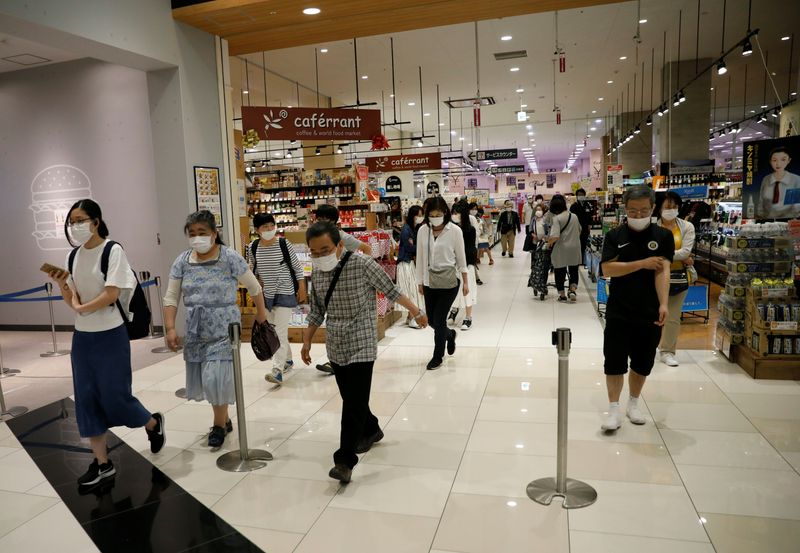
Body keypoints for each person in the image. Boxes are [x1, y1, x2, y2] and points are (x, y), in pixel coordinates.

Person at [48, 199, 165, 487]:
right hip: (83, 338)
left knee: (115, 395)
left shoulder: (112, 251)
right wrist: (65, 287)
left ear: (96, 221)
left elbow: (112, 294)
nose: (75, 226)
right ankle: (103, 463)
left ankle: (152, 423)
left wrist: (83, 308)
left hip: (111, 333)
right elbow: (72, 298)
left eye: (80, 220)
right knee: (86, 398)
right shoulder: (72, 257)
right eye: (71, 221)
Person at [301, 222, 428, 484]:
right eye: (314, 252)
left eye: (325, 249)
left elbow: (392, 291)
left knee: (352, 403)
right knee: (353, 398)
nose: (319, 256)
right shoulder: (319, 271)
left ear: (339, 245)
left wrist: (417, 311)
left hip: (362, 342)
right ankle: (371, 428)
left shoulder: (363, 264)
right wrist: (306, 341)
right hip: (336, 344)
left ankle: (344, 460)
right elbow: (316, 310)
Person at [163, 211, 268, 448]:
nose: (197, 238)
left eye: (202, 233)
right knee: (207, 377)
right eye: (192, 234)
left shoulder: (229, 257)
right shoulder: (182, 261)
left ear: (214, 233)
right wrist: (170, 327)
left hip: (224, 328)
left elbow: (254, 287)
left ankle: (218, 425)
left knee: (216, 377)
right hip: (195, 328)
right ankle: (224, 418)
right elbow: (171, 296)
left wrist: (262, 318)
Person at [600, 186, 673, 431]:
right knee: (614, 359)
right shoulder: (615, 236)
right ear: (625, 209)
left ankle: (633, 403)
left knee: (643, 361)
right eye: (633, 210)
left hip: (649, 310)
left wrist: (664, 303)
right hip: (619, 308)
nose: (638, 215)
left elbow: (663, 271)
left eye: (643, 210)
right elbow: (607, 269)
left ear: (653, 208)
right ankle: (613, 409)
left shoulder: (663, 237)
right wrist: (642, 263)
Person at [248, 213, 308, 384]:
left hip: (285, 291)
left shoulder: (283, 243)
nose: (269, 229)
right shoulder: (253, 247)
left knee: (279, 331)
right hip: (265, 295)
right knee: (273, 331)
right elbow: (253, 271)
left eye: (271, 225)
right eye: (264, 227)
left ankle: (277, 370)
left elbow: (297, 268)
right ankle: (287, 360)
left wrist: (302, 288)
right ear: (257, 230)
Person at [314, 204, 372, 375]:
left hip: (344, 286)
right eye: (319, 218)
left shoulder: (341, 236)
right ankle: (336, 360)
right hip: (326, 283)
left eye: (325, 219)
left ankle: (342, 361)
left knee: (344, 324)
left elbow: (366, 249)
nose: (321, 222)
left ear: (333, 221)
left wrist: (364, 272)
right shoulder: (316, 235)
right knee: (334, 324)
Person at [416, 197, 469, 370]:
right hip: (429, 281)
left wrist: (466, 282)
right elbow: (421, 258)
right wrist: (420, 282)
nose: (435, 217)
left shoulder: (454, 230)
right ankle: (450, 334)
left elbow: (461, 258)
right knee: (432, 320)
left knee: (439, 319)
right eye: (431, 214)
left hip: (449, 282)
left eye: (438, 214)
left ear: (445, 213)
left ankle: (437, 356)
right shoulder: (423, 230)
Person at [656, 192, 696, 367]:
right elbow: (646, 251)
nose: (671, 210)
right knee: (653, 314)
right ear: (659, 208)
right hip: (654, 277)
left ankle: (667, 351)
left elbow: (686, 252)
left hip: (678, 277)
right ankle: (653, 346)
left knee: (672, 316)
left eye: (674, 206)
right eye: (667, 207)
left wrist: (663, 256)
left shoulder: (687, 227)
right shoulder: (652, 227)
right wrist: (678, 256)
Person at [447, 202, 478, 330]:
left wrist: (464, 262)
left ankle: (468, 316)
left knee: (467, 288)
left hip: (466, 264)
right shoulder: (450, 228)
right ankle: (454, 310)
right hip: (453, 264)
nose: (454, 216)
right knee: (453, 288)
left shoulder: (470, 230)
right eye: (453, 213)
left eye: (456, 213)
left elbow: (470, 249)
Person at [547, 195, 583, 302]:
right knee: (573, 270)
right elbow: (579, 230)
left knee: (560, 270)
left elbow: (555, 236)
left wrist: (548, 242)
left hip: (561, 248)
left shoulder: (556, 219)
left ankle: (562, 295)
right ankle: (572, 290)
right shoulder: (574, 216)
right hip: (575, 247)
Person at [397, 205, 425, 328]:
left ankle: (410, 317)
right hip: (405, 263)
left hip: (409, 262)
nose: (420, 218)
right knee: (410, 290)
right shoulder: (406, 229)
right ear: (413, 215)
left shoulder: (411, 229)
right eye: (418, 215)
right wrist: (420, 247)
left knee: (411, 289)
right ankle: (413, 317)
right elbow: (409, 247)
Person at [758, 146, 800, 219]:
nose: (778, 164)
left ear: (789, 160)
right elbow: (761, 202)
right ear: (770, 161)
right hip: (767, 221)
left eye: (783, 160)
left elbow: (796, 207)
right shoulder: (766, 179)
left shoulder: (795, 179)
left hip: (789, 222)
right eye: (774, 160)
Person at [570, 188, 593, 266]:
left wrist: (590, 225)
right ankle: (577, 261)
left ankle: (584, 261)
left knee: (585, 245)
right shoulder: (573, 206)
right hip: (576, 229)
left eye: (582, 195)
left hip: (586, 229)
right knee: (577, 245)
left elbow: (590, 216)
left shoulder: (588, 205)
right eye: (579, 195)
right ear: (576, 196)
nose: (581, 196)